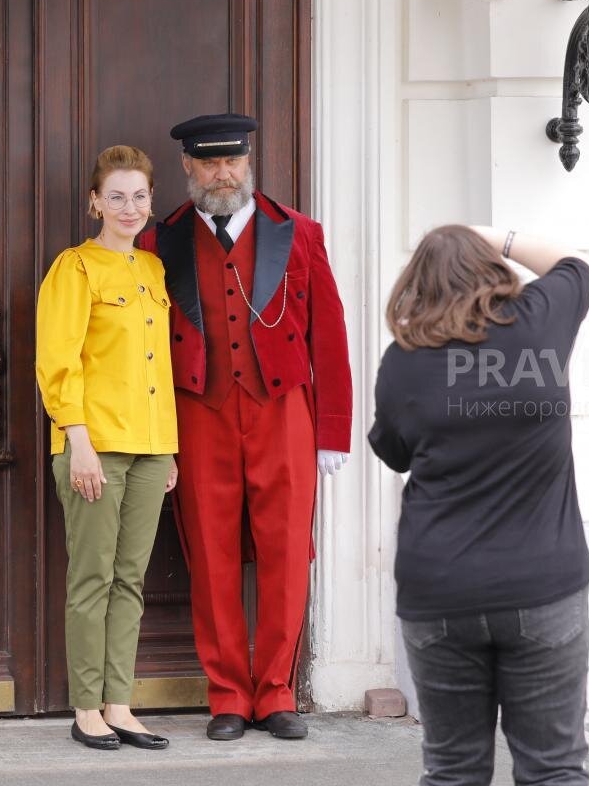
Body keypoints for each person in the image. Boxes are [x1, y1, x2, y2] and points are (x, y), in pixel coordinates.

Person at [137, 113, 352, 741]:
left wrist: (332, 430)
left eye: (231, 161)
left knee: (287, 552)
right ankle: (229, 695)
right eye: (208, 163)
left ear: (248, 161)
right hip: (198, 415)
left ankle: (277, 692)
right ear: (188, 168)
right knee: (212, 555)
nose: (222, 173)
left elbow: (330, 335)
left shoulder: (298, 232)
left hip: (283, 410)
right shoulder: (160, 241)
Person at [369, 225, 589, 784]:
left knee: (452, 770)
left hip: (439, 589)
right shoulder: (540, 323)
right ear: (492, 269)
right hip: (542, 582)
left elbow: (395, 454)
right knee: (555, 769)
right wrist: (499, 236)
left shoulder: (404, 361)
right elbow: (575, 265)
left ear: (417, 283)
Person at [36, 145, 179, 752]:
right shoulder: (74, 268)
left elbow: (160, 367)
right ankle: (86, 708)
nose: (129, 207)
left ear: (151, 201)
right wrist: (79, 443)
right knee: (91, 578)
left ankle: (120, 703)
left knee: (131, 579)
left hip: (150, 448)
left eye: (139, 196)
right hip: (93, 446)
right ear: (95, 201)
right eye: (116, 196)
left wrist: (167, 448)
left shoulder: (152, 272)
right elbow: (58, 361)